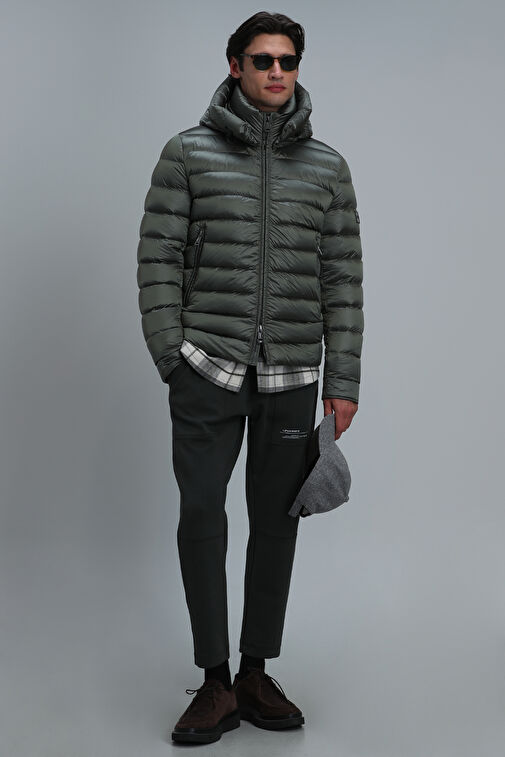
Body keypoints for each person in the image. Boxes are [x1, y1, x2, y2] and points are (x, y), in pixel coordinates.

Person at [137, 10, 364, 744]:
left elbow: (343, 279)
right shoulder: (187, 154)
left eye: (287, 61)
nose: (276, 72)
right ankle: (213, 681)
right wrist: (172, 355)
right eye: (262, 59)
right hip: (206, 367)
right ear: (234, 65)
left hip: (293, 375)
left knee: (276, 524)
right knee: (202, 515)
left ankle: (254, 671)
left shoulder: (327, 168)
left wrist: (343, 380)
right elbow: (157, 257)